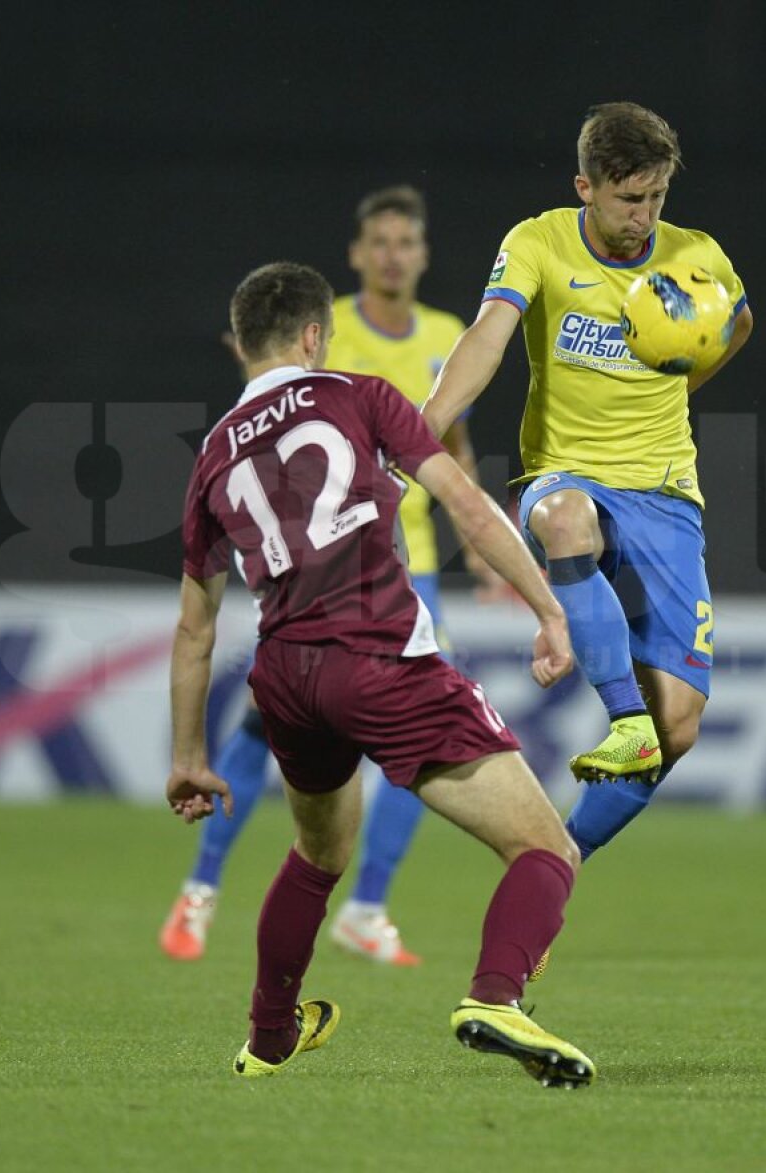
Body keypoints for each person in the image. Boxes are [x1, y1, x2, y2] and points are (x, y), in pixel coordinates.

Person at [166, 260, 594, 1088]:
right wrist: (548, 605)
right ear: (315, 335)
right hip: (380, 658)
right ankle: (495, 998)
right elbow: (465, 502)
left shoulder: (215, 455)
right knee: (547, 847)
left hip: (287, 677)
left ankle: (268, 1034)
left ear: (244, 345)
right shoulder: (359, 395)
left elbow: (195, 624)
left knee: (318, 852)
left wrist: (188, 754)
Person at [160, 187, 498, 964]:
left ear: (421, 254)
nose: (391, 254)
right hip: (315, 569)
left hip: (404, 567)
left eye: (404, 242)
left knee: (425, 742)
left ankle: (369, 904)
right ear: (356, 254)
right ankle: (202, 885)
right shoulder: (319, 334)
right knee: (260, 731)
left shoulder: (448, 336)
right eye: (377, 241)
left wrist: (478, 551)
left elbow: (455, 445)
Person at [423, 102, 754, 861]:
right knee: (565, 517)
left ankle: (555, 867)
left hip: (666, 491)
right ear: (585, 186)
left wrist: (681, 381)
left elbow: (736, 322)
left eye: (657, 197)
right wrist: (423, 423)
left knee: (680, 727)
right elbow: (486, 339)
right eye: (629, 199)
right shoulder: (536, 242)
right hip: (565, 472)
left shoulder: (696, 255)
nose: (645, 216)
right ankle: (621, 715)